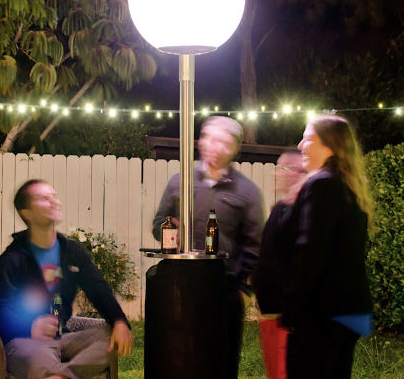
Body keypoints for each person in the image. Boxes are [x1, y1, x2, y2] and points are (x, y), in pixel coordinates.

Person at [0, 179, 133, 379]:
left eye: (54, 196)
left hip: (65, 337)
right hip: (25, 341)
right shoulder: (12, 259)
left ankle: (60, 376)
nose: (54, 201)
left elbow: (98, 289)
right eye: (43, 198)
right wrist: (29, 326)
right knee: (41, 359)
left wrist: (119, 321)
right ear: (26, 213)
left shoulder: (72, 251)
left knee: (112, 336)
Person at [152, 116, 264, 379]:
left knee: (219, 364)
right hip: (178, 288)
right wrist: (168, 230)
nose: (216, 147)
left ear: (236, 148)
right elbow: (158, 222)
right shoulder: (179, 182)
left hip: (223, 290)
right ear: (201, 142)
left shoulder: (247, 192)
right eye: (211, 139)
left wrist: (243, 291)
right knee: (179, 360)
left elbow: (256, 244)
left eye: (224, 142)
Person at [278, 115, 374, 379]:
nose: (300, 145)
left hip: (320, 316)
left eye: (308, 139)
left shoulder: (321, 184)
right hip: (347, 314)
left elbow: (310, 252)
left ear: (329, 146)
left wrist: (291, 308)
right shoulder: (348, 186)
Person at [251, 150, 306, 379]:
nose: (276, 173)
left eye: (283, 168)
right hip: (269, 312)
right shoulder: (279, 209)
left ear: (298, 173)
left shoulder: (304, 212)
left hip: (287, 315)